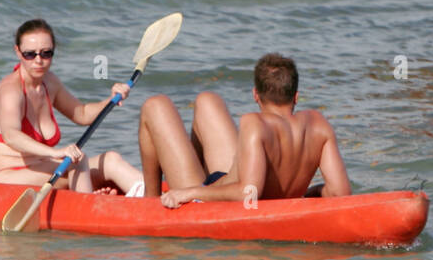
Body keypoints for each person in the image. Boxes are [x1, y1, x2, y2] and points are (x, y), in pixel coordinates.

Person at [136, 53, 351, 208]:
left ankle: (151, 202)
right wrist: (305, 194)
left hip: (209, 200)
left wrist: (190, 192)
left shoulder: (255, 123)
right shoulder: (318, 124)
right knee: (207, 100)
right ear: (296, 96)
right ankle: (191, 176)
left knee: (155, 105)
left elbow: (248, 193)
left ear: (256, 95)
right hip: (225, 181)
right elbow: (339, 193)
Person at [0, 18, 145, 196]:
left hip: (44, 170)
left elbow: (82, 114)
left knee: (111, 160)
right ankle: (90, 208)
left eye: (46, 53)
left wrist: (111, 99)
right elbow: (11, 136)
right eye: (30, 54)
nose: (38, 60)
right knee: (77, 161)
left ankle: (151, 197)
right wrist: (56, 153)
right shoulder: (11, 90)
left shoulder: (50, 82)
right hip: (9, 177)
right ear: (18, 52)